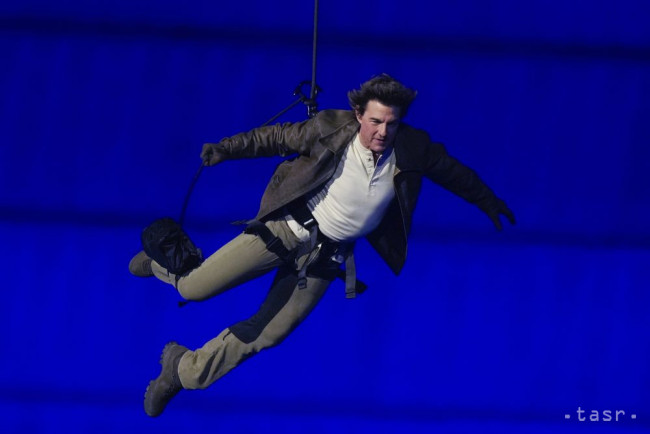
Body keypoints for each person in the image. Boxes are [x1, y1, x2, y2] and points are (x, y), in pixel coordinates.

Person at [129, 74, 515, 417]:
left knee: (270, 332)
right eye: (375, 121)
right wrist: (227, 148)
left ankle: (182, 370)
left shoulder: (412, 147)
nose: (383, 131)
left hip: (326, 257)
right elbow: (275, 137)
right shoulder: (331, 127)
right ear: (359, 114)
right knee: (194, 288)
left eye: (391, 123)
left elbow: (452, 171)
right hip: (285, 231)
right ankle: (158, 265)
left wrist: (487, 200)